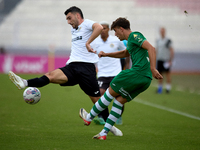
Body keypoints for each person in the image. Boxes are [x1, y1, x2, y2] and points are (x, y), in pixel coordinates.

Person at [8, 6, 122, 136]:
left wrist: (88, 42)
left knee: (98, 101)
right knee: (50, 75)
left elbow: (99, 28)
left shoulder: (87, 23)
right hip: (72, 67)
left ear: (77, 15)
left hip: (86, 69)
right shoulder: (74, 30)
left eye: (69, 18)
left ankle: (110, 127)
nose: (68, 21)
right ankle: (25, 83)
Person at [79, 17, 163, 140]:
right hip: (145, 80)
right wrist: (107, 54)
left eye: (116, 31)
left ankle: (89, 117)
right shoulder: (131, 42)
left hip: (137, 73)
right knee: (118, 101)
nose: (116, 35)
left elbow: (151, 48)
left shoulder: (135, 35)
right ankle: (103, 134)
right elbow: (125, 53)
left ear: (121, 29)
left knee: (108, 94)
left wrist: (153, 68)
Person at [92, 21, 126, 125]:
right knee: (101, 95)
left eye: (105, 28)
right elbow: (93, 57)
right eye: (101, 29)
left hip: (116, 73)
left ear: (109, 30)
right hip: (102, 74)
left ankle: (118, 116)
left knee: (119, 96)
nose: (103, 30)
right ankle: (102, 117)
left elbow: (125, 53)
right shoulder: (96, 42)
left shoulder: (116, 40)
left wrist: (126, 68)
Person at [156, 27, 174, 93]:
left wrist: (171, 59)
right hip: (159, 59)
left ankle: (168, 88)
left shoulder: (168, 40)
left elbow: (171, 50)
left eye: (163, 31)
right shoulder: (158, 40)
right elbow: (157, 50)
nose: (162, 32)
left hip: (166, 59)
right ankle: (160, 89)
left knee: (167, 74)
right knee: (159, 74)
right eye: (161, 31)